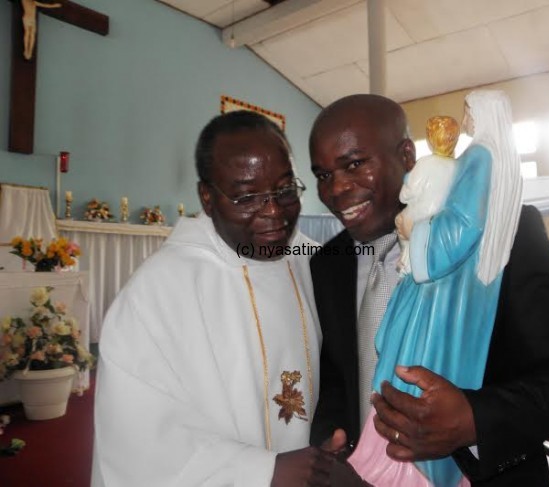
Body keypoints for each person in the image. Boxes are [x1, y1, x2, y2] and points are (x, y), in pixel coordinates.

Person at [308, 93, 549, 486]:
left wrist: (473, 420)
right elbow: (335, 377)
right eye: (323, 175)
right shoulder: (326, 264)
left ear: (408, 156)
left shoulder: (502, 234)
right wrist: (332, 438)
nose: (336, 188)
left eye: (355, 163)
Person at [92, 110, 340, 486]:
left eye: (285, 190)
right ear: (207, 198)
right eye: (246, 197)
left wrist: (328, 435)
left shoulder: (310, 261)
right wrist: (262, 472)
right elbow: (136, 437)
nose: (273, 212)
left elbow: (331, 368)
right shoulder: (157, 293)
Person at [349, 90, 524, 486]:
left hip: (440, 289)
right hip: (447, 287)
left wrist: (417, 230)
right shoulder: (484, 160)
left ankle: (400, 470)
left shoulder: (479, 157)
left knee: (407, 366)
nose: (466, 119)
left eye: (469, 111)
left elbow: (465, 224)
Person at [395, 115, 460, 276]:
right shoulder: (458, 166)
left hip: (420, 215)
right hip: (443, 219)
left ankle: (406, 259)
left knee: (399, 220)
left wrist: (404, 191)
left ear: (431, 139)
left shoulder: (425, 163)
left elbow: (408, 193)